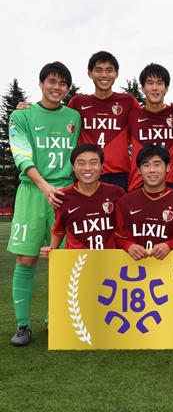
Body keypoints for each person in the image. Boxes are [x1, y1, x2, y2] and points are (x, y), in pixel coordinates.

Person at [8, 61, 81, 346]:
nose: (57, 87)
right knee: (26, 258)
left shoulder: (74, 115)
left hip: (65, 196)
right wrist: (44, 186)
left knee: (61, 261)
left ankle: (56, 319)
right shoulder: (22, 115)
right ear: (41, 83)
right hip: (32, 192)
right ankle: (22, 325)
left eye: (62, 83)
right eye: (52, 81)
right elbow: (21, 154)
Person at [66, 51, 139, 191]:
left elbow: (147, 118)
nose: (104, 75)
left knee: (117, 213)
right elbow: (57, 117)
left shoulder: (128, 102)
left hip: (117, 175)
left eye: (109, 70)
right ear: (90, 73)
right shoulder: (77, 102)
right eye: (98, 70)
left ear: (116, 74)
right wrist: (29, 109)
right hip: (86, 172)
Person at [40, 144, 125, 256]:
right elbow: (59, 229)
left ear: (102, 166)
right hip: (76, 263)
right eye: (81, 163)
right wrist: (51, 248)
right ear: (73, 167)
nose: (87, 168)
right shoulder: (62, 197)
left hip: (109, 261)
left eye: (93, 162)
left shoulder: (116, 193)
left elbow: (127, 225)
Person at [114, 144, 173, 260]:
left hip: (170, 269)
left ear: (168, 167)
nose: (152, 170)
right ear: (139, 170)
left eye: (157, 164)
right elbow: (116, 237)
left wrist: (170, 245)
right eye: (146, 165)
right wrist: (128, 246)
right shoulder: (125, 202)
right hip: (133, 270)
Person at [128, 63, 173, 191]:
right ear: (143, 88)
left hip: (170, 182)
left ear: (166, 88)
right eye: (150, 83)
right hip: (138, 184)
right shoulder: (133, 115)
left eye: (159, 83)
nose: (155, 88)